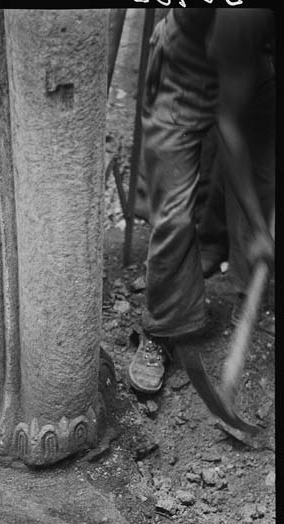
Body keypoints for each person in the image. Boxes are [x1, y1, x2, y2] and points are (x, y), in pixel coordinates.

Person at [128, 8, 275, 394]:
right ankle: (164, 327)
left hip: (254, 65)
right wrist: (262, 230)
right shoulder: (242, 17)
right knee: (173, 215)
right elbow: (229, 128)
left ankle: (249, 291)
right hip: (184, 70)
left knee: (266, 183)